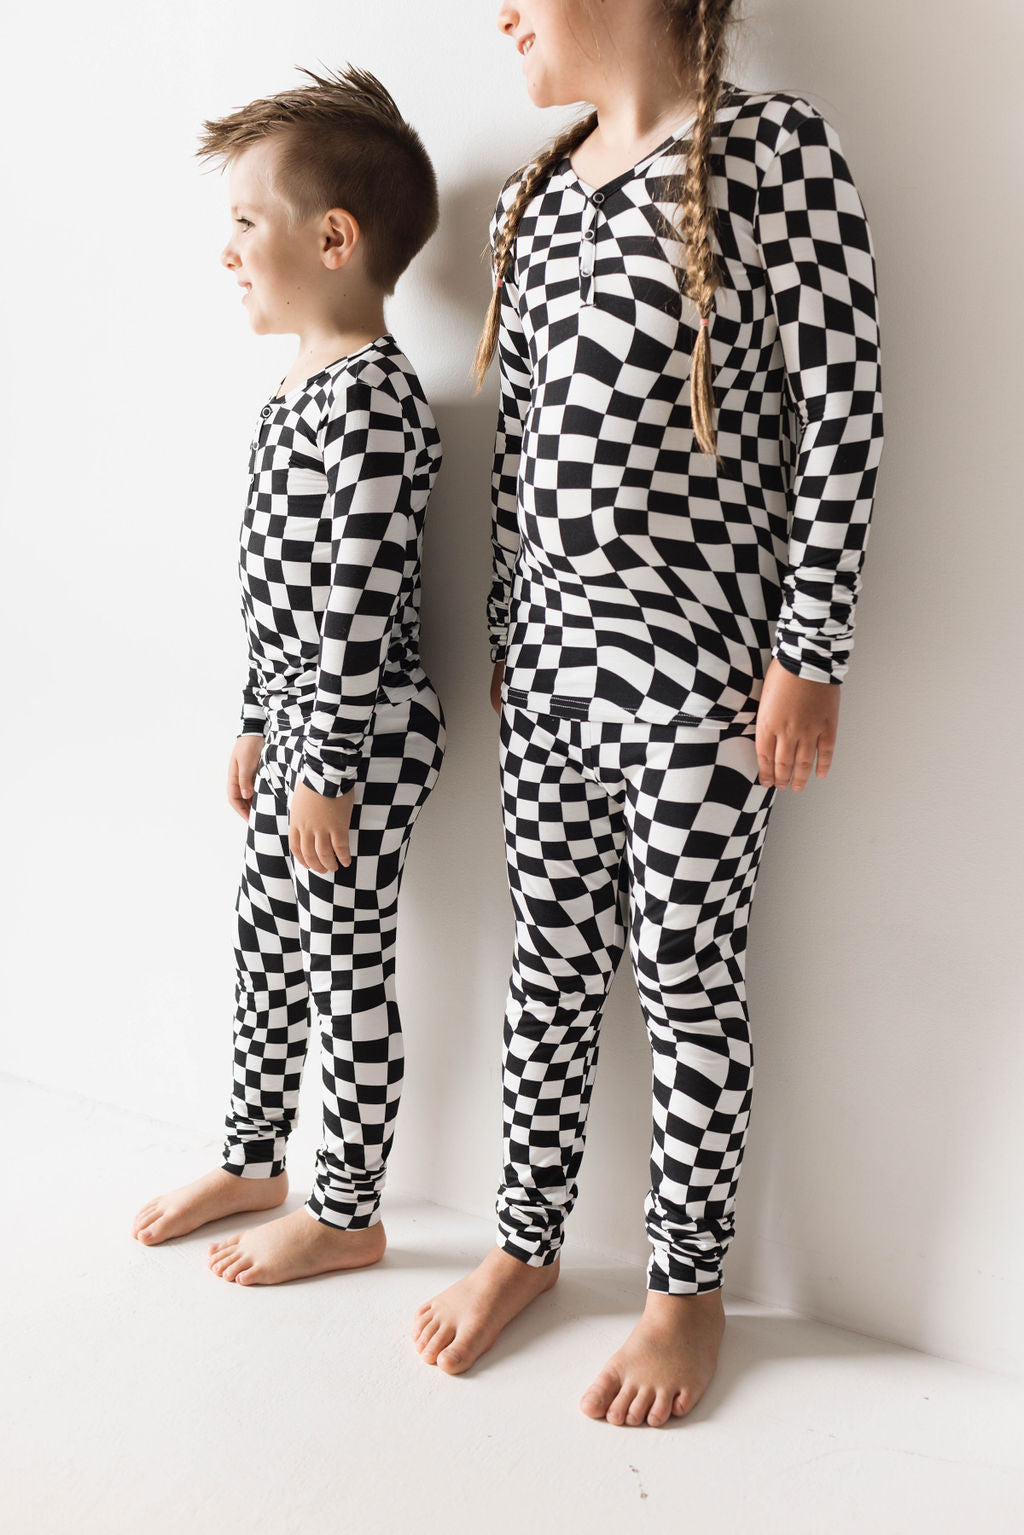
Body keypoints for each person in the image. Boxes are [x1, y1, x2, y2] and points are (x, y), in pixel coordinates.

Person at [413, 0, 884, 1428]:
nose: (496, 14)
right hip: (552, 668)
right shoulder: (538, 198)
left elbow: (843, 407)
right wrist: (505, 626)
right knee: (546, 959)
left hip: (694, 670)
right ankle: (526, 1237)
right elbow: (518, 441)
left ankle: (685, 1287)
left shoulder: (772, 151)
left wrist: (808, 649)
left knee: (683, 971)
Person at [131, 64, 446, 1284]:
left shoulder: (373, 403)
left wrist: (325, 768)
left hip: (361, 741)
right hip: (305, 732)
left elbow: (356, 611)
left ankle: (349, 1205)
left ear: (332, 238)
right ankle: (256, 1154)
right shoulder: (294, 399)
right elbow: (281, 600)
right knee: (266, 945)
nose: (227, 253)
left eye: (244, 223)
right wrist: (260, 723)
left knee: (344, 960)